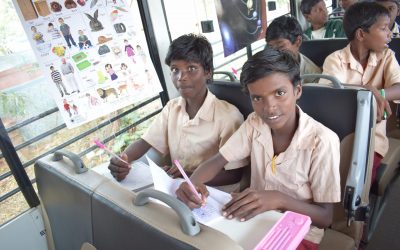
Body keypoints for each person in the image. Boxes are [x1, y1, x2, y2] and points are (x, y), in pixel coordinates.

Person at [176, 47, 341, 249]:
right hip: (254, 218)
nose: (269, 107)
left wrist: (279, 200)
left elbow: (325, 217)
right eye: (257, 98)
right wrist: (193, 183)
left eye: (279, 93)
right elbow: (218, 160)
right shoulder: (255, 123)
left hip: (299, 233)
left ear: (297, 90)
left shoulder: (322, 141)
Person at [108, 34, 247, 188]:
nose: (181, 77)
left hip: (212, 191)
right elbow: (145, 141)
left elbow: (235, 174)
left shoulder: (228, 117)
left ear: (207, 72)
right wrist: (123, 160)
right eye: (175, 70)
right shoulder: (172, 108)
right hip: (177, 185)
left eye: (191, 69)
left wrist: (189, 176)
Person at [320, 1, 400, 186]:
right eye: (383, 28)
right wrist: (366, 91)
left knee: (357, 179)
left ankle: (356, 210)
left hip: (372, 137)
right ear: (362, 34)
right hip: (338, 132)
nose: (389, 34)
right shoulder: (335, 60)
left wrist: (377, 92)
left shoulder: (387, 56)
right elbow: (329, 94)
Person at [265, 15, 321, 81]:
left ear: (298, 42)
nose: (275, 53)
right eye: (271, 47)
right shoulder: (265, 67)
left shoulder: (313, 76)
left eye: (280, 46)